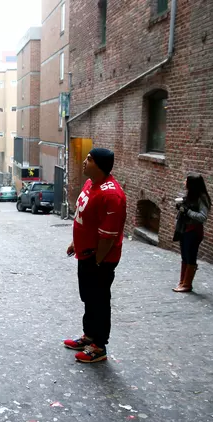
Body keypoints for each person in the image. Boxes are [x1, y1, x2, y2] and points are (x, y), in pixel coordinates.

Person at [64, 148, 127, 363]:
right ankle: (89, 335)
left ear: (99, 165)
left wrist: (97, 261)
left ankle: (99, 346)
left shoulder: (111, 195)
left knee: (99, 300)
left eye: (89, 159)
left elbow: (108, 236)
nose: (84, 161)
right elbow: (84, 218)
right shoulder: (91, 183)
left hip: (99, 258)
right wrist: (76, 242)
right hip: (86, 253)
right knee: (88, 297)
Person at [172, 173, 212, 293]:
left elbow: (202, 217)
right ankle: (182, 281)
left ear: (192, 184)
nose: (184, 182)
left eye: (187, 181)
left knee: (190, 257)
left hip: (194, 231)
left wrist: (187, 211)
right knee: (184, 256)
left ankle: (187, 284)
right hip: (184, 229)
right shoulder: (190, 195)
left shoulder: (202, 198)